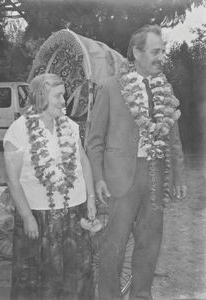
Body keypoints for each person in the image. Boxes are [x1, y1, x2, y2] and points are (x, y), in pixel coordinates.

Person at [87, 24, 187, 300]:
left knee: (150, 244)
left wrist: (177, 175)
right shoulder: (110, 88)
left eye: (163, 50)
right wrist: (97, 178)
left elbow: (173, 138)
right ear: (137, 52)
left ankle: (141, 295)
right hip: (120, 179)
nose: (162, 56)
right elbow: (93, 140)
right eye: (156, 51)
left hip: (156, 175)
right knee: (113, 246)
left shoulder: (165, 89)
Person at [4, 73, 96, 300]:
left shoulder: (71, 127)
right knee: (41, 278)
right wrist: (26, 216)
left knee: (76, 274)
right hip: (39, 219)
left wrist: (91, 197)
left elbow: (83, 161)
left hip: (74, 213)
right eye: (58, 96)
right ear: (41, 96)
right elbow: (12, 180)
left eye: (63, 95)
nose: (64, 100)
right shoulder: (18, 130)